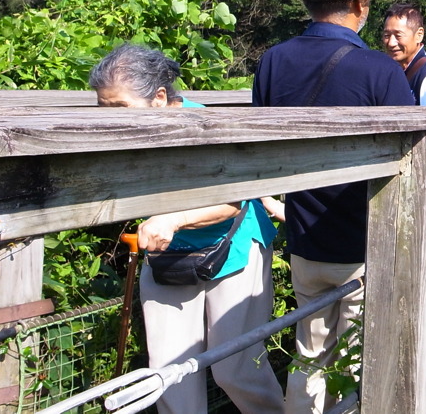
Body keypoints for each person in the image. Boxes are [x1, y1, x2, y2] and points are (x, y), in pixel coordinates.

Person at [252, 0, 413, 414]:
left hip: (303, 237)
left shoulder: (272, 61)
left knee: (310, 353)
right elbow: (411, 160)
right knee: (360, 361)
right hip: (364, 243)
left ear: (307, 0)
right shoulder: (379, 69)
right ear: (361, 4)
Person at [90, 43, 284, 414]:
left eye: (120, 108)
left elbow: (235, 199)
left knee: (235, 368)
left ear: (160, 97)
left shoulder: (207, 127)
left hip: (234, 245)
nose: (111, 119)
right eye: (104, 108)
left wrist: (174, 219)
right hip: (167, 253)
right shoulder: (120, 133)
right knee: (167, 373)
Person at [382, 3, 426, 106]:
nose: (391, 43)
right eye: (387, 35)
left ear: (419, 35)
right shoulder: (392, 71)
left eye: (398, 36)